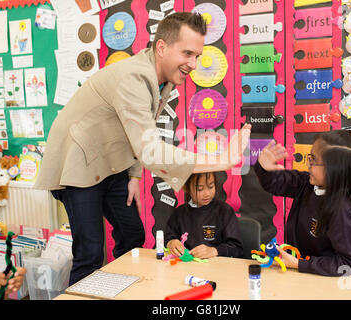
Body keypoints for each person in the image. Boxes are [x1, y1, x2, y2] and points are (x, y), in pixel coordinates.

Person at [35, 12, 251, 285]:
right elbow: (150, 149)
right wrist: (221, 160)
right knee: (90, 253)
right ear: (161, 47)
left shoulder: (163, 79)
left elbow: (137, 130)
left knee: (132, 235)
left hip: (109, 165)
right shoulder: (133, 77)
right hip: (77, 165)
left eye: (197, 55)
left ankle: (123, 289)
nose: (193, 64)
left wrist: (134, 176)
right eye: (187, 53)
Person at [254, 130, 351, 276]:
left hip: (326, 282)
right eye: (309, 157)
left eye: (313, 160)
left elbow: (348, 264)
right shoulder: (307, 183)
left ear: (335, 170)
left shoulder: (341, 210)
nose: (308, 164)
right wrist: (263, 167)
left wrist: (299, 263)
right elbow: (274, 183)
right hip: (301, 273)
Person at [165, 172, 243, 259]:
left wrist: (214, 251)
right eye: (200, 189)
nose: (207, 194)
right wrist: (171, 243)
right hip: (186, 268)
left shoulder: (224, 211)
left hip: (217, 268)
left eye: (211, 187)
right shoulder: (179, 213)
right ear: (186, 188)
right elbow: (168, 237)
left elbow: (237, 248)